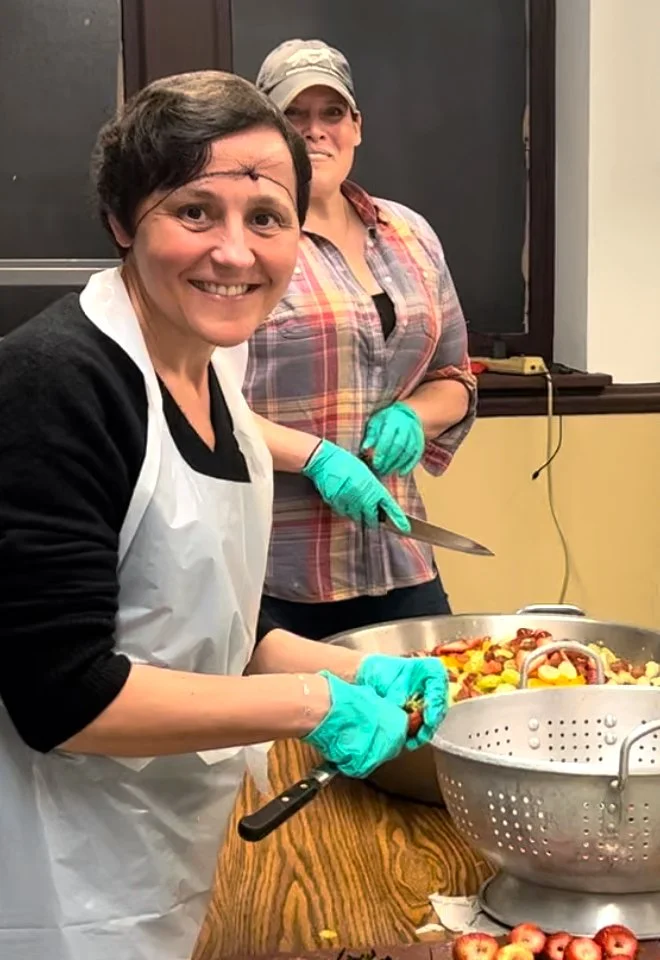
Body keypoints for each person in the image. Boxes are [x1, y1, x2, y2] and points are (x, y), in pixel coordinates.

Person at [0, 71, 449, 960]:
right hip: (56, 877)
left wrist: (355, 671)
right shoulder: (55, 383)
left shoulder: (216, 372)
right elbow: (63, 696)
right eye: (195, 211)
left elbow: (203, 626)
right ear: (123, 221)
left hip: (158, 853)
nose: (236, 253)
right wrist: (311, 702)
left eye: (268, 218)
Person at [246, 39, 478, 640]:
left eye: (332, 113)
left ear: (357, 127)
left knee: (433, 696)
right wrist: (315, 458)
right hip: (276, 572)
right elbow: (196, 402)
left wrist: (415, 416)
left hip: (400, 555)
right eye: (294, 114)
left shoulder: (411, 235)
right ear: (265, 131)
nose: (315, 131)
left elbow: (454, 378)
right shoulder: (243, 243)